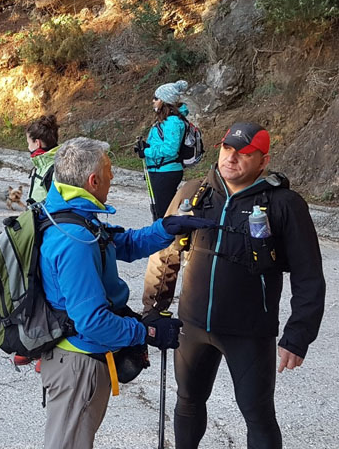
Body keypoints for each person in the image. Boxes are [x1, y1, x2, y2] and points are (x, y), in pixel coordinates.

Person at [142, 122, 326, 449]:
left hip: (249, 332)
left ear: (263, 160)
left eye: (245, 153)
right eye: (228, 148)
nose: (232, 158)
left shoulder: (284, 205)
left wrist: (299, 334)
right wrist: (153, 310)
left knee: (257, 414)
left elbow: (308, 274)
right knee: (187, 402)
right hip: (192, 325)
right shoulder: (194, 193)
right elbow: (165, 251)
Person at [39, 137, 214, 449]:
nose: (113, 177)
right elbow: (92, 322)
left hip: (79, 358)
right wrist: (146, 332)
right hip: (79, 363)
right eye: (109, 171)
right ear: (93, 181)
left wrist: (165, 229)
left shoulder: (68, 211)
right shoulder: (74, 238)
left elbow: (122, 243)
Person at [136, 79, 190, 220]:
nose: (153, 101)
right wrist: (146, 146)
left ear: (164, 101)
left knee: (163, 214)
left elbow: (171, 150)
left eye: (156, 98)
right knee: (160, 211)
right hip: (160, 170)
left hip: (166, 172)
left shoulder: (172, 122)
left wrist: (146, 152)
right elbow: (162, 144)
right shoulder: (167, 121)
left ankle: (166, 240)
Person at [26, 114, 60, 205]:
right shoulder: (43, 164)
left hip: (45, 218)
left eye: (29, 143)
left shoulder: (53, 170)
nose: (28, 147)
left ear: (37, 143)